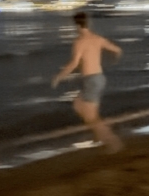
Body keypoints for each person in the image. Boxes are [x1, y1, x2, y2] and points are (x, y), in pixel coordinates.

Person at [52, 11, 123, 152]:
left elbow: (74, 63)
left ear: (76, 25)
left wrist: (59, 77)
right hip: (99, 79)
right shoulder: (98, 38)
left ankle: (113, 143)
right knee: (81, 107)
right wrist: (113, 60)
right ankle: (101, 137)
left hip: (91, 81)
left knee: (90, 116)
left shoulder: (79, 41)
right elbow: (118, 50)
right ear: (88, 23)